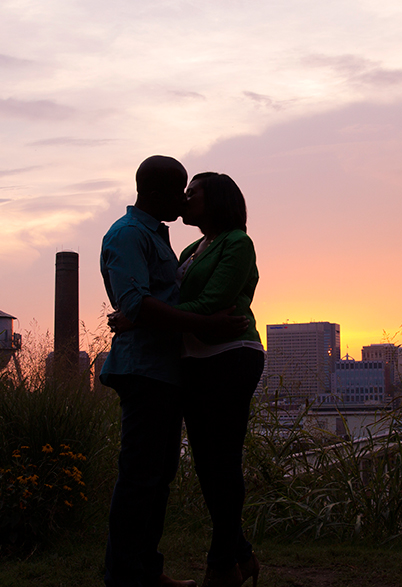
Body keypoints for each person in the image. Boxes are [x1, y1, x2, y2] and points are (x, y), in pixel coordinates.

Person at [99, 155, 248, 587]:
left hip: (166, 370)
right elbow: (136, 304)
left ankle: (148, 570)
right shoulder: (128, 234)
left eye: (190, 192)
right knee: (139, 477)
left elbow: (160, 300)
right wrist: (205, 325)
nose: (183, 201)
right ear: (158, 193)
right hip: (142, 368)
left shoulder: (160, 239)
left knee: (157, 478)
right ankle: (125, 576)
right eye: (179, 192)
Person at [176, 173, 266, 587]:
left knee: (223, 459)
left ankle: (220, 565)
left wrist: (153, 313)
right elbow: (186, 303)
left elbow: (216, 301)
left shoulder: (237, 243)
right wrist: (171, 313)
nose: (185, 198)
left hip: (233, 355)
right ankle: (242, 554)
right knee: (207, 464)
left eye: (193, 193)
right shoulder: (191, 249)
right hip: (194, 358)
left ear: (217, 201)